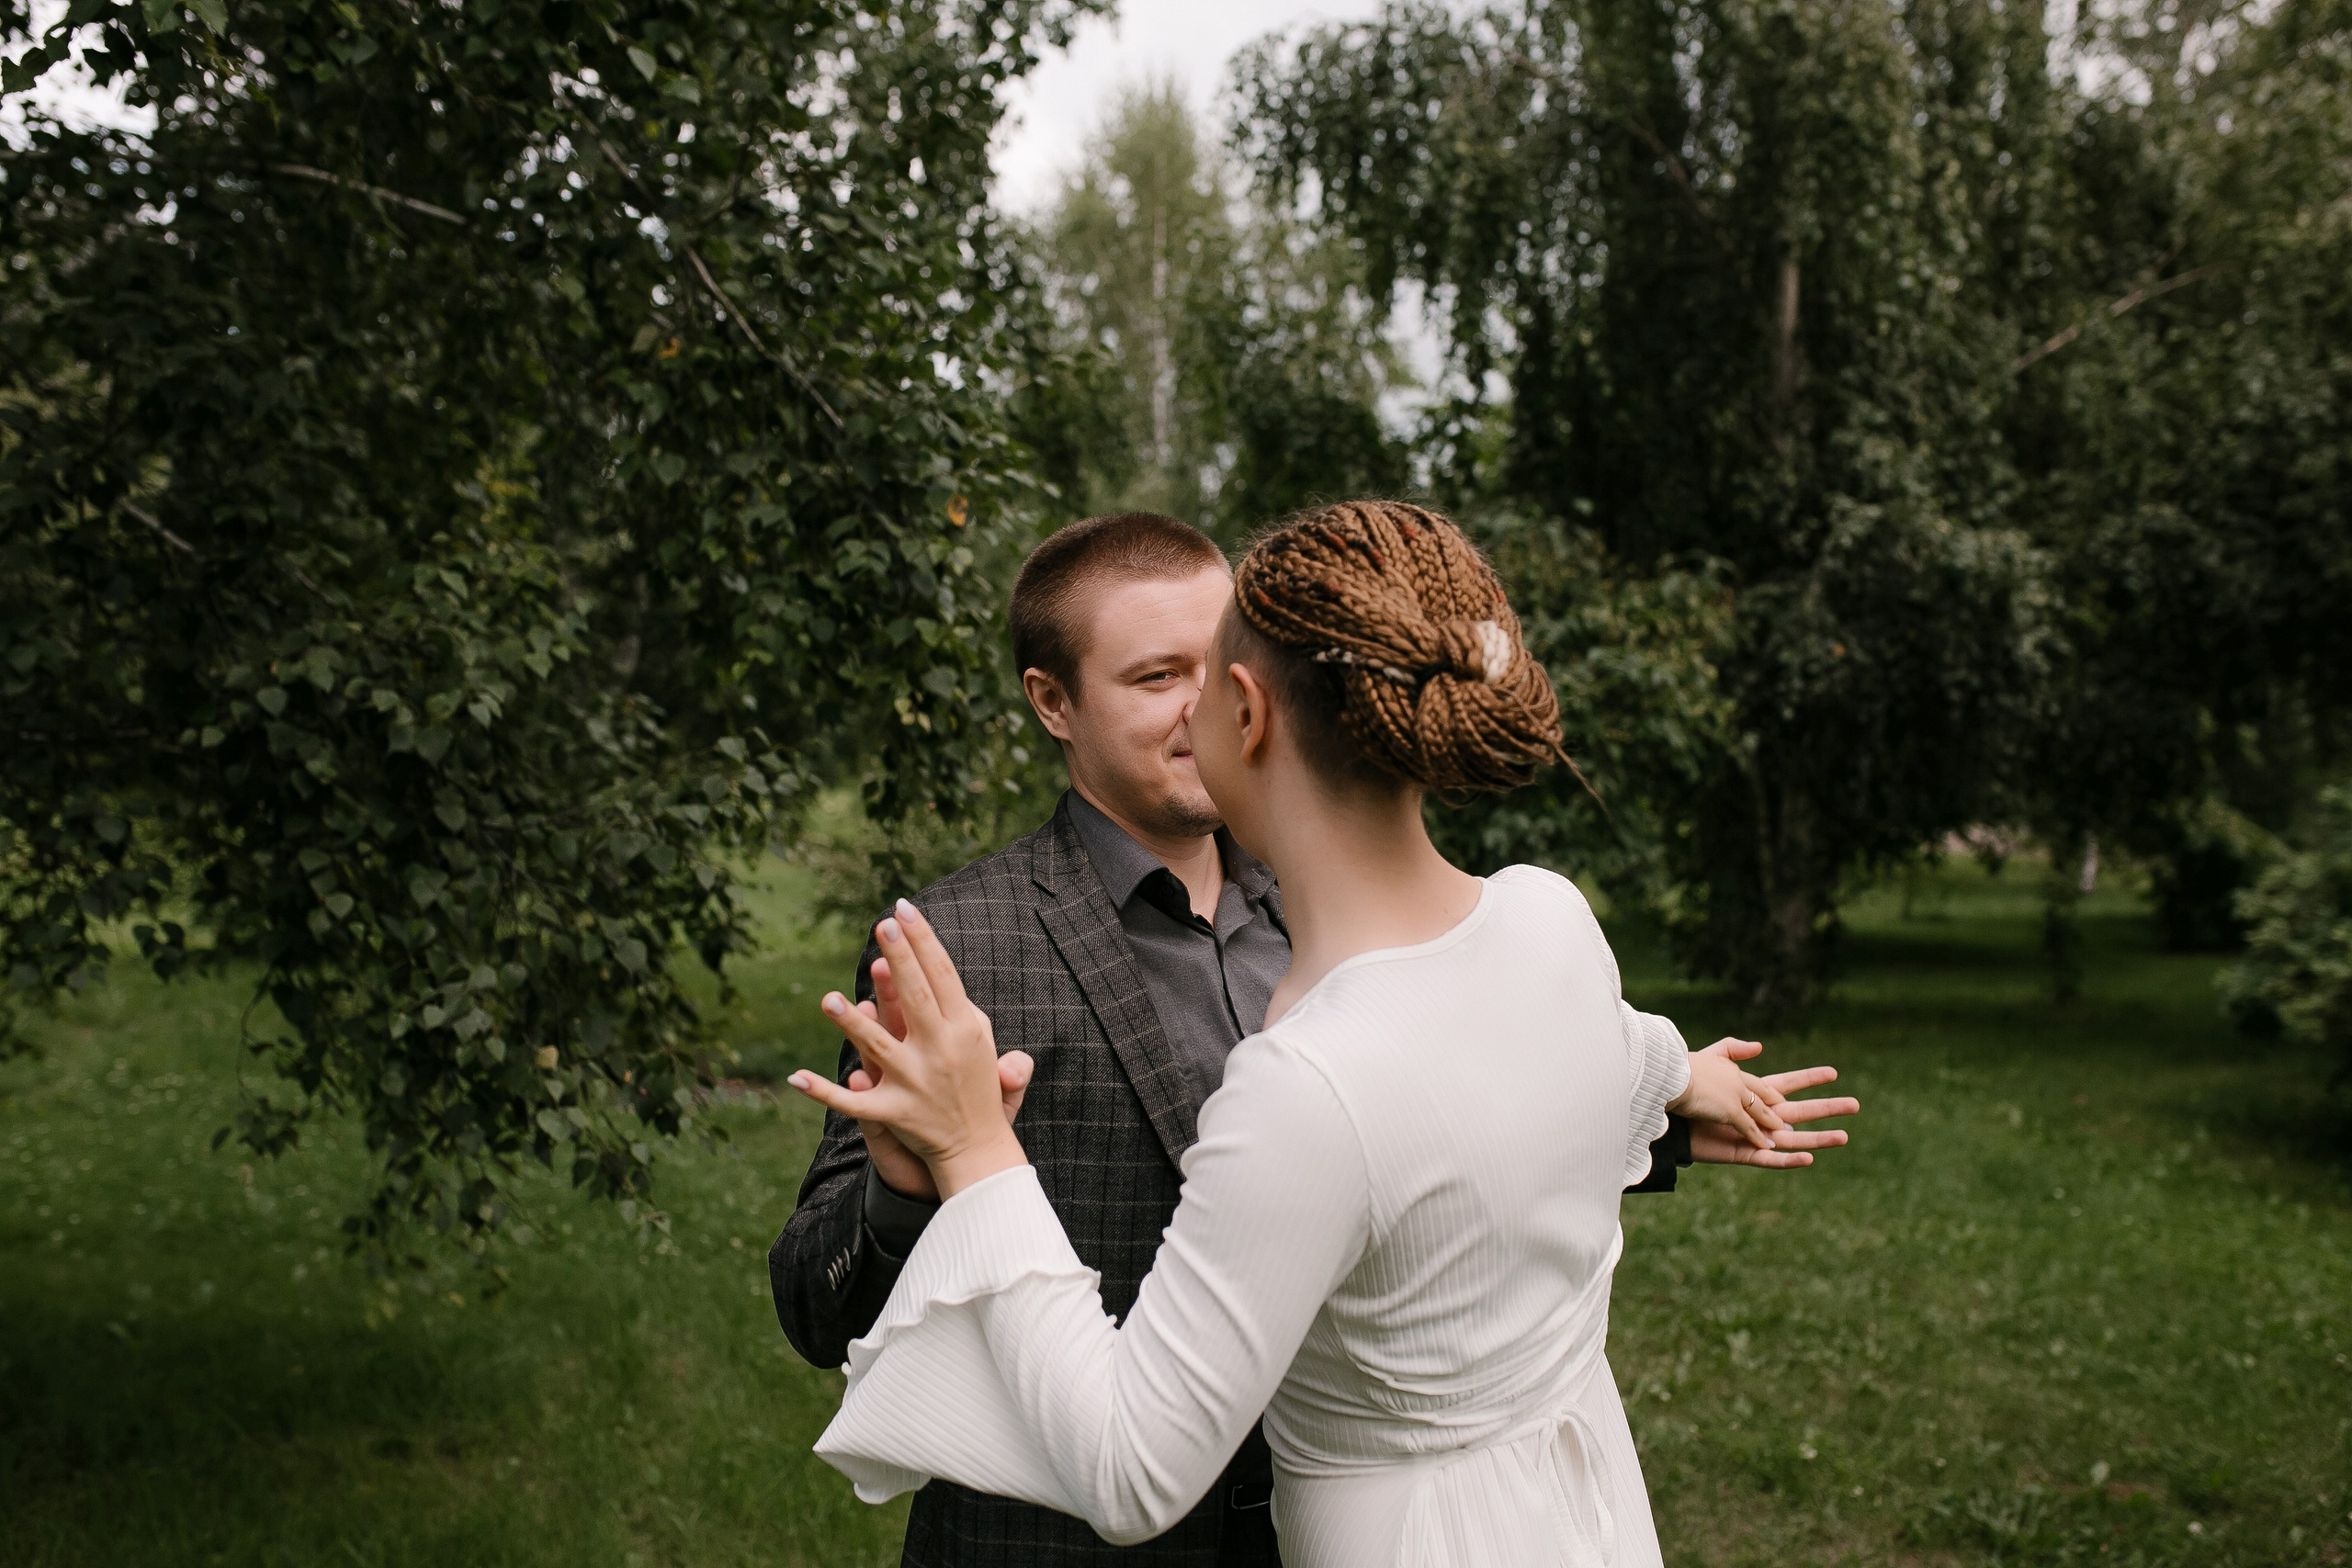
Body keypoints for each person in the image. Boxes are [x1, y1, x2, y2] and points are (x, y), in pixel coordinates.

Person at [786, 501, 1859, 1565]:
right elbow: (815, 1309)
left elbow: (1430, 1150)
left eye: (1212, 667)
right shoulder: (953, 947)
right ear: (1051, 702)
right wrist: (906, 1190)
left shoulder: (1361, 913)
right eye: (1156, 677)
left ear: (1257, 702)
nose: (1194, 705)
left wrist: (1656, 1104)